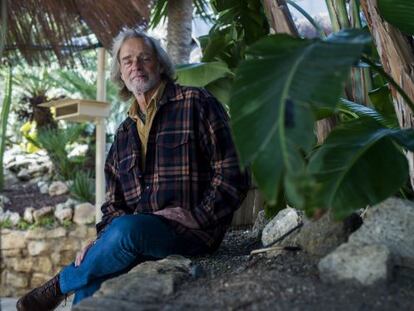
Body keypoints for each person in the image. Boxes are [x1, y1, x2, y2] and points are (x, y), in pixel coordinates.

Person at [16, 28, 250, 311]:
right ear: (121, 73)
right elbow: (113, 205)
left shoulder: (195, 102)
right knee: (90, 286)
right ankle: (72, 285)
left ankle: (57, 286)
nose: (136, 66)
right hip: (135, 238)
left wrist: (199, 215)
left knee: (128, 229)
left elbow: (233, 171)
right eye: (127, 61)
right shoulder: (124, 133)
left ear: (160, 64)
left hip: (189, 235)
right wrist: (102, 243)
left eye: (144, 58)